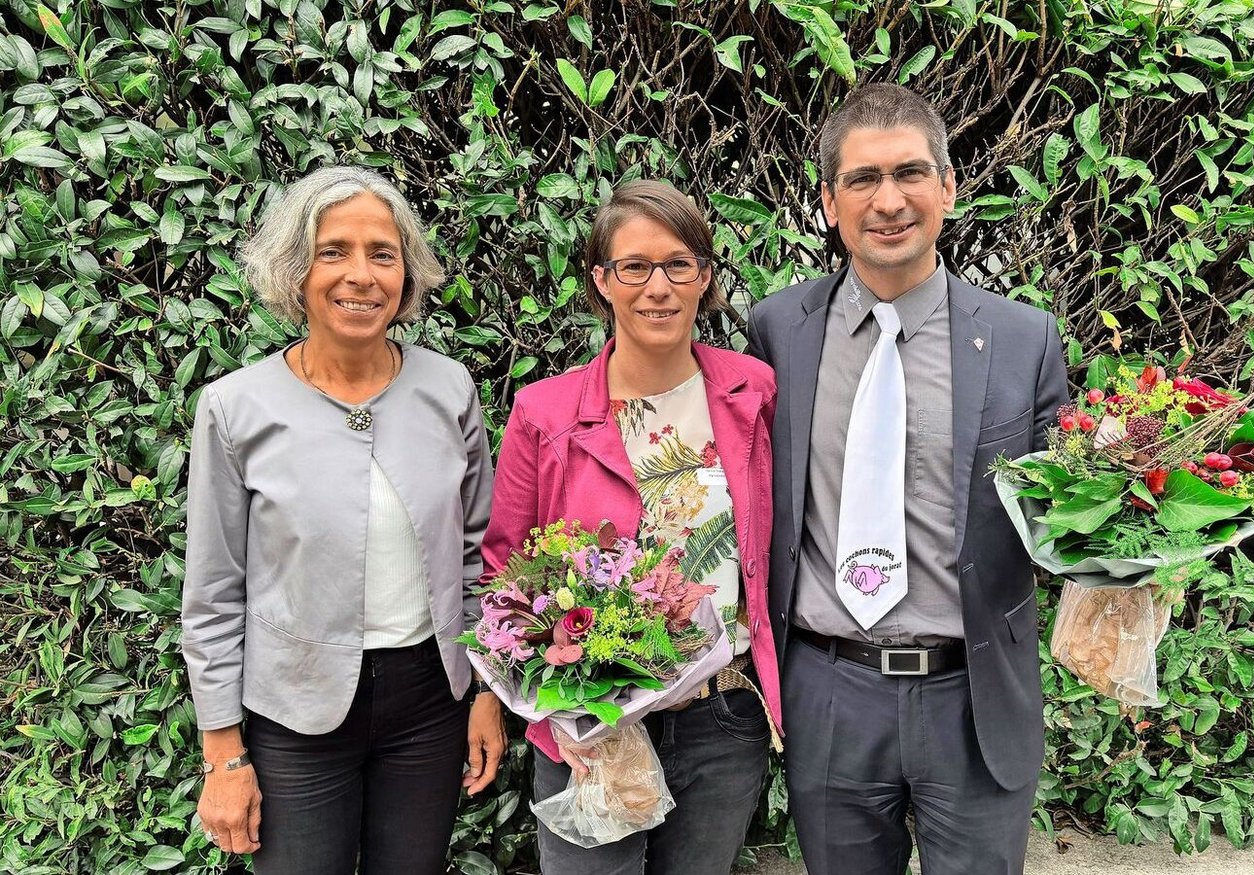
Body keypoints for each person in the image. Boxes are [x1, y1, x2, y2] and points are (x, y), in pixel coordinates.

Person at [745, 84, 1070, 875]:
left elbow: (1067, 515)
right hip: (830, 688)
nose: (888, 200)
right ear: (828, 202)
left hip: (974, 692)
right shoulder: (777, 329)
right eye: (862, 179)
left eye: (910, 173)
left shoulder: (1025, 339)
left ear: (949, 188)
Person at [181, 166, 506, 874]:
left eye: (381, 253)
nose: (360, 275)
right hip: (294, 711)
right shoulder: (237, 408)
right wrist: (223, 753)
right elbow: (212, 596)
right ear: (296, 269)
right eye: (334, 251)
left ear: (406, 274)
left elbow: (479, 555)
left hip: (430, 702)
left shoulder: (448, 389)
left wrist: (486, 689)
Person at [482, 179, 781, 874]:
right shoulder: (545, 412)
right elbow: (503, 568)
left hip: (721, 718)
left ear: (705, 277)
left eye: (679, 264)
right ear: (601, 280)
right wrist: (549, 701)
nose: (658, 286)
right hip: (594, 726)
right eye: (634, 266)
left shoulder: (751, 390)